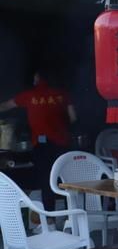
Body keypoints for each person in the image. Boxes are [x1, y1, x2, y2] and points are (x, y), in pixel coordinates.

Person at [0, 71, 76, 213]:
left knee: (46, 181)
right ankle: (71, 218)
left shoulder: (29, 95)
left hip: (43, 146)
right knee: (65, 180)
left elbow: (5, 106)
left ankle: (50, 220)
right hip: (63, 145)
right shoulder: (62, 94)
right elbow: (73, 117)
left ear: (37, 79)